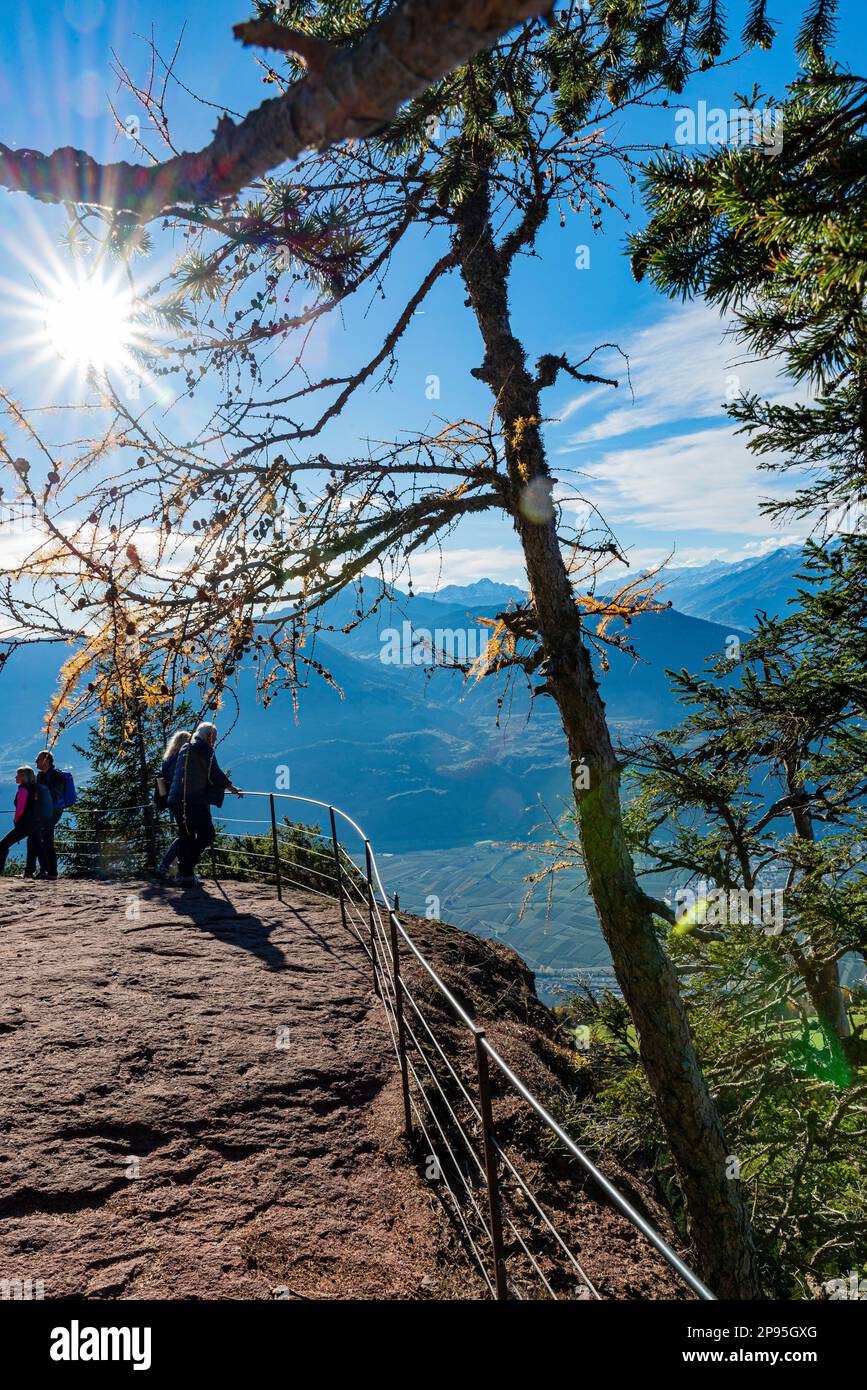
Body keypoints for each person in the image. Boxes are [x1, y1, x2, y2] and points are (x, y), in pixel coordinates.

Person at [167, 722, 242, 887]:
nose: (215, 741)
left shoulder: (186, 748)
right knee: (207, 833)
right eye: (214, 737)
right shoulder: (205, 749)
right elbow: (214, 773)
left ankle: (184, 875)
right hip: (193, 799)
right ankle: (186, 869)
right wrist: (232, 788)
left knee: (186, 836)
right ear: (208, 736)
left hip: (176, 800)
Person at [153, 729, 191, 881]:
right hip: (182, 800)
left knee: (185, 833)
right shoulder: (181, 759)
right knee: (186, 834)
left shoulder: (167, 759)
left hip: (171, 800)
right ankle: (172, 868)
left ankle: (169, 867)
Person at [0, 766, 52, 878]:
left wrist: (16, 820)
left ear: (23, 777)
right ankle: (45, 870)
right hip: (36, 822)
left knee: (3, 845)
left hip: (24, 824)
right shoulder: (35, 788)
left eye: (18, 775)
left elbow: (20, 808)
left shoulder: (23, 789)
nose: (15, 777)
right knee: (38, 846)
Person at [35, 749, 66, 881]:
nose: (36, 761)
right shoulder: (40, 776)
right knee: (42, 839)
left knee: (47, 839)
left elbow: (56, 794)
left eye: (38, 759)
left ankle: (52, 871)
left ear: (46, 760)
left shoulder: (56, 775)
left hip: (53, 811)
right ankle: (45, 870)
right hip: (44, 811)